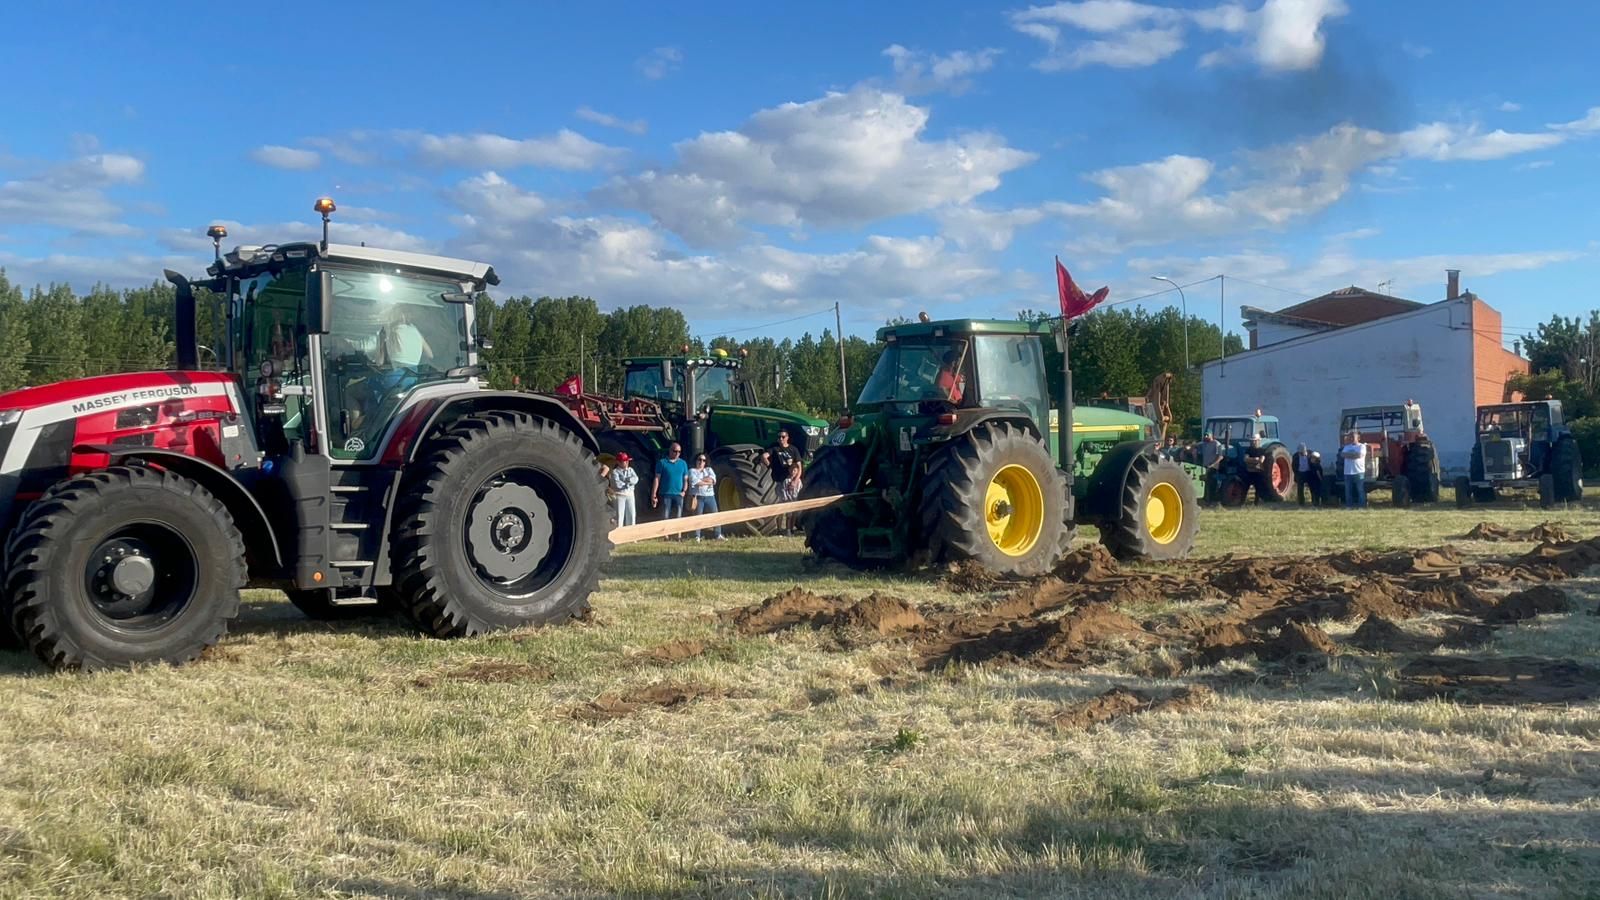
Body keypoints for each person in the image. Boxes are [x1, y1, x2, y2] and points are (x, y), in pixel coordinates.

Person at [652, 442, 690, 528]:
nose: (677, 453)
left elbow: (685, 479)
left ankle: (678, 534)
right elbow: (657, 478)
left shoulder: (683, 463)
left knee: (679, 515)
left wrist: (684, 491)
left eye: (679, 452)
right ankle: (666, 534)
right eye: (675, 451)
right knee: (666, 515)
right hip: (666, 493)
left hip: (679, 493)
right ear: (670, 450)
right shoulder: (662, 462)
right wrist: (654, 494)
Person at [688, 453, 725, 541]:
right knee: (698, 516)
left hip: (710, 496)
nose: (701, 462)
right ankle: (697, 536)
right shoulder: (692, 471)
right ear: (696, 461)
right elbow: (695, 482)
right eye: (699, 459)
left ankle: (718, 534)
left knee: (715, 515)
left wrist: (701, 480)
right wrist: (707, 481)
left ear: (706, 462)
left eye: (703, 460)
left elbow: (713, 480)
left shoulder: (709, 469)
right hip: (698, 497)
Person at [609, 453, 639, 527]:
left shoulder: (630, 470)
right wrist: (628, 483)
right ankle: (618, 532)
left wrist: (627, 481)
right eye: (624, 461)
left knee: (632, 514)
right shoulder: (615, 472)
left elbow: (636, 479)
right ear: (618, 462)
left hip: (630, 494)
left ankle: (631, 533)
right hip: (620, 495)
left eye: (627, 461)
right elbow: (617, 484)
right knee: (619, 516)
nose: (627, 462)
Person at [1340, 430, 1368, 509]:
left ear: (1358, 438)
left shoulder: (1362, 446)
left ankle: (1362, 506)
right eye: (1350, 437)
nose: (1351, 438)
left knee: (1360, 490)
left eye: (1353, 437)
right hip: (1348, 472)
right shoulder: (1346, 447)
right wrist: (1353, 455)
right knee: (1348, 491)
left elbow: (1359, 455)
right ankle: (1349, 506)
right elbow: (1342, 454)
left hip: (1359, 472)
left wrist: (1348, 455)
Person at [1196, 432, 1222, 502]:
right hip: (1205, 467)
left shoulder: (1216, 444)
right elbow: (1194, 446)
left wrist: (1213, 464)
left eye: (1207, 435)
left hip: (1213, 467)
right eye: (1205, 435)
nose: (1206, 436)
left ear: (1212, 435)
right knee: (1205, 484)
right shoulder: (1203, 444)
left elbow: (1220, 456)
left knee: (1212, 484)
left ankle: (1213, 500)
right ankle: (1205, 500)